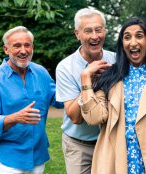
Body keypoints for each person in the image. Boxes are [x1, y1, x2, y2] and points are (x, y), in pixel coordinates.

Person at [79, 17, 146, 174]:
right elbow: (94, 117)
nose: (133, 43)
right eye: (127, 37)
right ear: (122, 45)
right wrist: (86, 79)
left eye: (139, 36)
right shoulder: (110, 77)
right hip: (116, 159)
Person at [0, 26, 63, 174]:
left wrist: (84, 83)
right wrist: (14, 118)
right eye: (17, 46)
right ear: (6, 49)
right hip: (8, 158)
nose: (23, 51)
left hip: (37, 154)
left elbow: (59, 99)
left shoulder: (41, 72)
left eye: (27, 45)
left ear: (32, 47)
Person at [55, 7, 115, 174]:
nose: (94, 36)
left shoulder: (116, 60)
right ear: (77, 34)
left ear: (105, 31)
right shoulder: (65, 67)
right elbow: (74, 117)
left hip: (110, 141)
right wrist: (87, 78)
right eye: (88, 31)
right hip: (79, 145)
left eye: (98, 30)